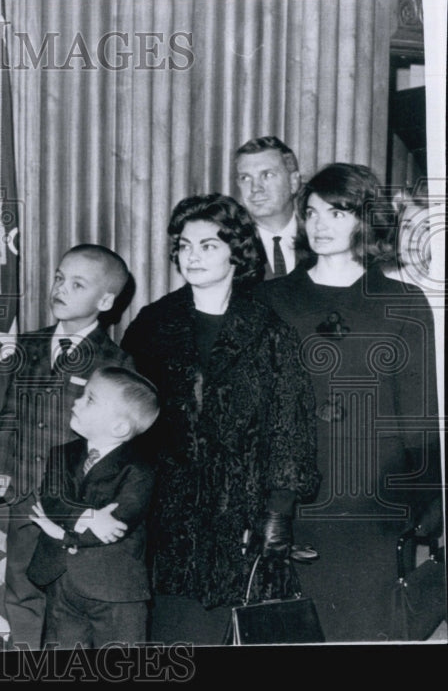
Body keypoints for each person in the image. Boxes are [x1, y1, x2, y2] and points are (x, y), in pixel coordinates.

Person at [120, 193, 319, 644]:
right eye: (184, 245)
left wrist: (278, 517)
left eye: (208, 245)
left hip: (244, 519)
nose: (192, 256)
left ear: (236, 251)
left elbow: (289, 428)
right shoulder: (152, 325)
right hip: (166, 518)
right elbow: (127, 420)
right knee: (174, 640)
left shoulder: (269, 329)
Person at [256, 163, 442, 642]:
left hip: (371, 495)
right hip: (290, 493)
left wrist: (428, 499)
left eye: (337, 213)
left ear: (365, 219)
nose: (320, 225)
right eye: (312, 213)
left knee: (366, 632)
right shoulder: (270, 298)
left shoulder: (402, 301)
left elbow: (416, 408)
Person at [0, 243, 135, 649]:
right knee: (21, 585)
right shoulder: (30, 346)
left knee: (67, 595)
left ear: (105, 301)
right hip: (26, 495)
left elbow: (116, 448)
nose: (61, 289)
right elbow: (9, 412)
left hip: (73, 501)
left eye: (77, 283)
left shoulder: (115, 363)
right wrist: (1, 468)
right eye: (58, 278)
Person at [27, 366, 159, 649]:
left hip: (114, 589)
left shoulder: (140, 469)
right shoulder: (61, 454)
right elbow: (52, 500)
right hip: (61, 582)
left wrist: (63, 533)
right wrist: (85, 515)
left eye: (90, 399)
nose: (76, 401)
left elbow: (116, 526)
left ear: (119, 427)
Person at [233, 136, 306, 279]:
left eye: (267, 175)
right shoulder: (230, 246)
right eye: (245, 178)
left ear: (293, 182)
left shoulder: (319, 240)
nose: (255, 188)